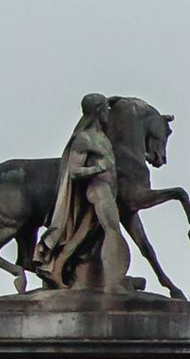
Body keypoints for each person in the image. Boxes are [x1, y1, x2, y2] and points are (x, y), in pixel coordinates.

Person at [36, 96, 130, 294]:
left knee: (80, 238)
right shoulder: (84, 138)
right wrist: (98, 168)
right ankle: (113, 282)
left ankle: (57, 269)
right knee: (112, 229)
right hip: (98, 190)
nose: (108, 113)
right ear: (97, 110)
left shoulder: (103, 136)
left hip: (109, 191)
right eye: (105, 108)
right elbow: (74, 171)